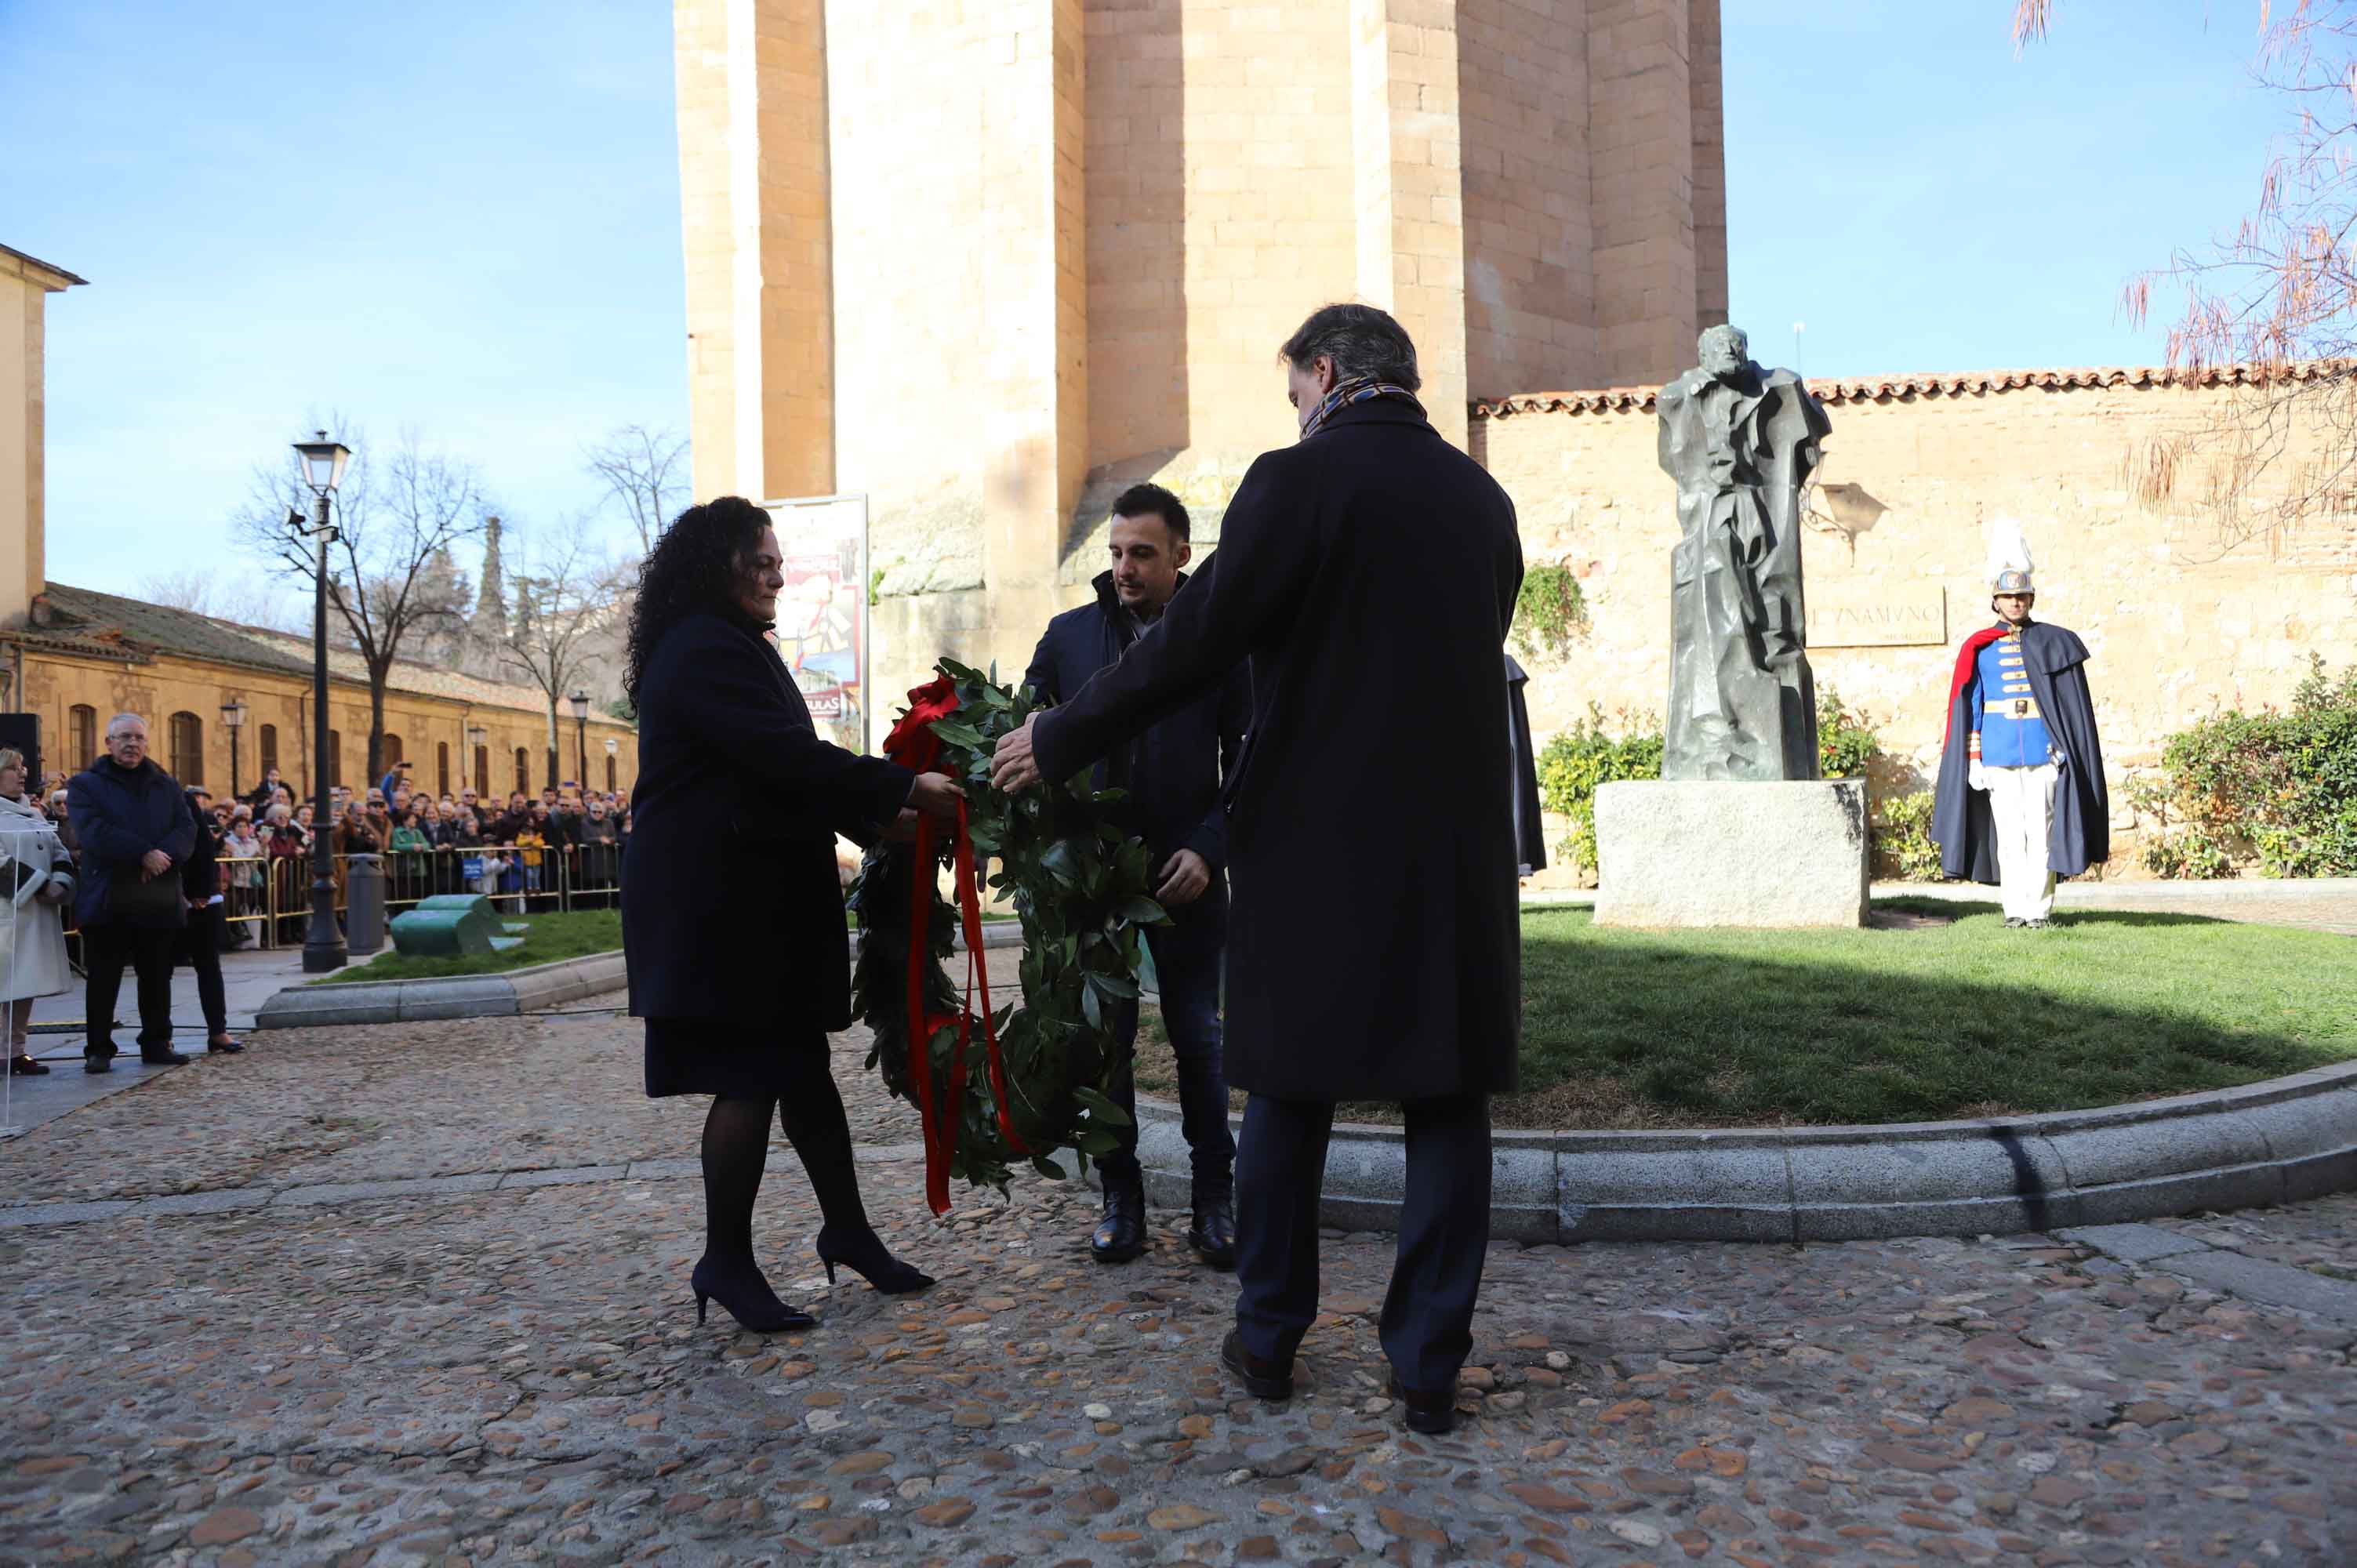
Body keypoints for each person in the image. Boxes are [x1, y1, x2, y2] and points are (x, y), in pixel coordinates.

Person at [991, 304, 1522, 1436]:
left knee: (1289, 1089)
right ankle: (1426, 1364)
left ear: (1324, 375)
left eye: (1294, 394)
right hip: (1449, 848)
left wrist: (1062, 733)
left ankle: (1269, 1339)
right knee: (1445, 1100)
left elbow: (1197, 637)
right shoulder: (1484, 501)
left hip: (1313, 839)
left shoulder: (1297, 482)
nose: (1297, 411)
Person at [624, 494, 963, 1334]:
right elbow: (782, 756)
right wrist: (902, 788)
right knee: (747, 1074)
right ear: (720, 567)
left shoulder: (733, 644)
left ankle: (846, 1229)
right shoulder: (701, 647)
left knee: (798, 1066)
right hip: (718, 905)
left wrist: (893, 825)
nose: (778, 574)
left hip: (753, 895)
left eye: (780, 561)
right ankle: (725, 1258)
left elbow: (785, 776)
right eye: (762, 561)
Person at [1023, 481, 1247, 1269]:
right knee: (1105, 1045)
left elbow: (1250, 756)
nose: (1124, 567)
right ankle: (1123, 1198)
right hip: (1094, 885)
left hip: (1186, 874)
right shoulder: (1066, 638)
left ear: (1182, 555)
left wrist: (1210, 846)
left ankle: (1215, 1200)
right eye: (1115, 552)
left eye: (1142, 554)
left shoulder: (1222, 642)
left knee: (1201, 1040)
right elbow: (1023, 732)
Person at [1931, 518, 2108, 927]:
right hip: (1998, 750)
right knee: (2010, 837)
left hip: (2043, 749)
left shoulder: (2053, 641)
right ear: (1995, 600)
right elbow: (1972, 704)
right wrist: (1975, 757)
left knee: (2042, 833)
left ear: (2031, 599)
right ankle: (2015, 910)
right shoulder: (1980, 647)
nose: (2016, 603)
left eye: (2022, 596)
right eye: (2009, 597)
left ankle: (2039, 910)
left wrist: (2062, 746)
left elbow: (2066, 706)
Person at [68, 714, 197, 1073]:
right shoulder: (86, 785)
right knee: (103, 980)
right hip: (109, 897)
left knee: (157, 977)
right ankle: (99, 1048)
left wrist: (162, 857)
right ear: (108, 743)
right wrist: (142, 852)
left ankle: (157, 1042)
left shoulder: (166, 785)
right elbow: (93, 832)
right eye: (124, 737)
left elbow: (187, 828)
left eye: (139, 737)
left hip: (157, 896)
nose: (132, 744)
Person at [0, 753, 77, 1075]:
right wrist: (41, 886)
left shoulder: (33, 813)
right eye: (14, 769)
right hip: (8, 912)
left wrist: (61, 880)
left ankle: (14, 1052)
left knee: (24, 987)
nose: (23, 773)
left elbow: (57, 850)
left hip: (35, 915)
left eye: (23, 768)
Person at [176, 787, 244, 1055]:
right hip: (165, 897)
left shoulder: (185, 804)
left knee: (209, 967)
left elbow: (203, 849)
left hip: (200, 899)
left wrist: (200, 891)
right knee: (158, 972)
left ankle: (218, 1030)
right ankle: (159, 1038)